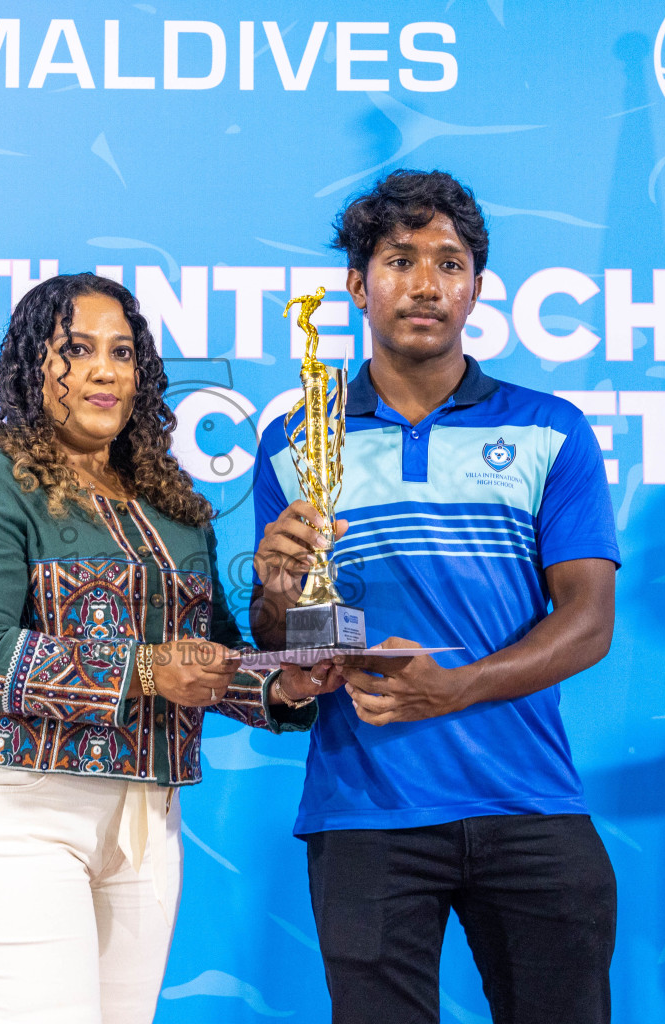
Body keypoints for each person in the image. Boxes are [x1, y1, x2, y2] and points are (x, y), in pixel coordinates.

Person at [250, 170, 622, 1024]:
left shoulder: (549, 428)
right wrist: (274, 588)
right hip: (365, 810)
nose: (426, 284)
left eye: (450, 263)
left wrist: (452, 688)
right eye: (400, 259)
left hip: (528, 802)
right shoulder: (295, 439)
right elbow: (291, 636)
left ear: (477, 289)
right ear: (356, 283)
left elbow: (589, 621)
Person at [0, 273, 324, 1024]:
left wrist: (282, 685)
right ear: (30, 367)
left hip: (146, 822)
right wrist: (141, 668)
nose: (105, 370)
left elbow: (206, 659)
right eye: (77, 349)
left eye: (123, 352)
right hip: (15, 813)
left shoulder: (175, 510)